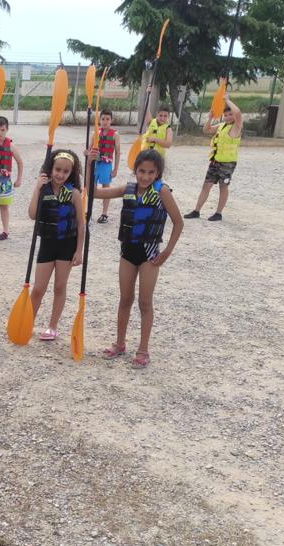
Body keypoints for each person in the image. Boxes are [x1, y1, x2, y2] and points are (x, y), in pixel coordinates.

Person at [92, 148, 183, 368]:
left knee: (144, 302)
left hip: (149, 255)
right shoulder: (128, 189)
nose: (145, 176)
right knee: (125, 299)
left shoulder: (162, 192)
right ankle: (119, 343)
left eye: (151, 172)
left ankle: (143, 350)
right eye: (141, 171)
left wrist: (167, 252)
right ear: (135, 171)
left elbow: (178, 223)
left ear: (158, 173)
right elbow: (95, 193)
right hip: (128, 252)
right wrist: (90, 163)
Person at [28, 149, 84, 340]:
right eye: (57, 170)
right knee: (38, 288)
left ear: (71, 173)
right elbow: (32, 214)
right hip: (47, 243)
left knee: (59, 287)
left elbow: (81, 224)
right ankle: (28, 321)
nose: (60, 174)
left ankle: (52, 327)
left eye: (65, 171)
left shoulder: (74, 194)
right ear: (51, 169)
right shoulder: (43, 190)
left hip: (67, 245)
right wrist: (37, 187)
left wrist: (79, 250)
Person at [183, 96, 242, 221]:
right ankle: (196, 211)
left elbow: (238, 113)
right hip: (215, 161)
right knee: (206, 186)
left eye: (230, 114)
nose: (228, 117)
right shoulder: (221, 125)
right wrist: (209, 118)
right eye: (226, 115)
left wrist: (227, 100)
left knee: (223, 187)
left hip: (227, 163)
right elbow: (206, 130)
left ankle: (218, 213)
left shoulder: (236, 127)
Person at [0, 116, 23, 240]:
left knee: (4, 207)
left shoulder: (11, 145)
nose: (0, 133)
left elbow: (20, 162)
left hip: (4, 182)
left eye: (2, 130)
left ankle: (5, 231)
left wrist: (19, 179)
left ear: (7, 130)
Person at [93, 109, 120, 224]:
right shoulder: (95, 133)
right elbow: (89, 149)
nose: (105, 121)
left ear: (111, 120)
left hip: (106, 165)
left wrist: (115, 169)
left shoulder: (115, 135)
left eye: (107, 119)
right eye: (103, 119)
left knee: (106, 189)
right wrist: (86, 152)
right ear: (100, 120)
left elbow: (117, 153)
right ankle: (88, 210)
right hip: (95, 164)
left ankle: (104, 213)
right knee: (91, 187)